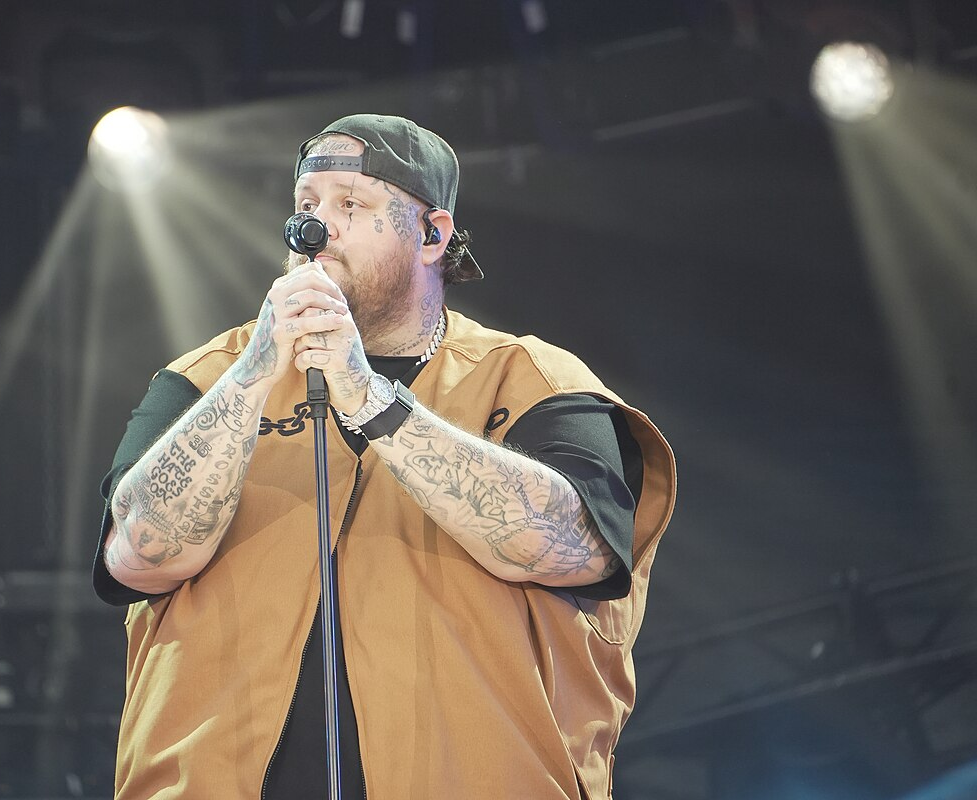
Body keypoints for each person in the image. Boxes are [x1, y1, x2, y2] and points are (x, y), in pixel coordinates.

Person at [93, 113, 677, 799]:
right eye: (306, 204)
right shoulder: (205, 380)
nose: (315, 226)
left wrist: (369, 397)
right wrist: (254, 373)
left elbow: (574, 548)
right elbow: (137, 555)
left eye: (350, 204)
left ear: (432, 235)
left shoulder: (532, 380)